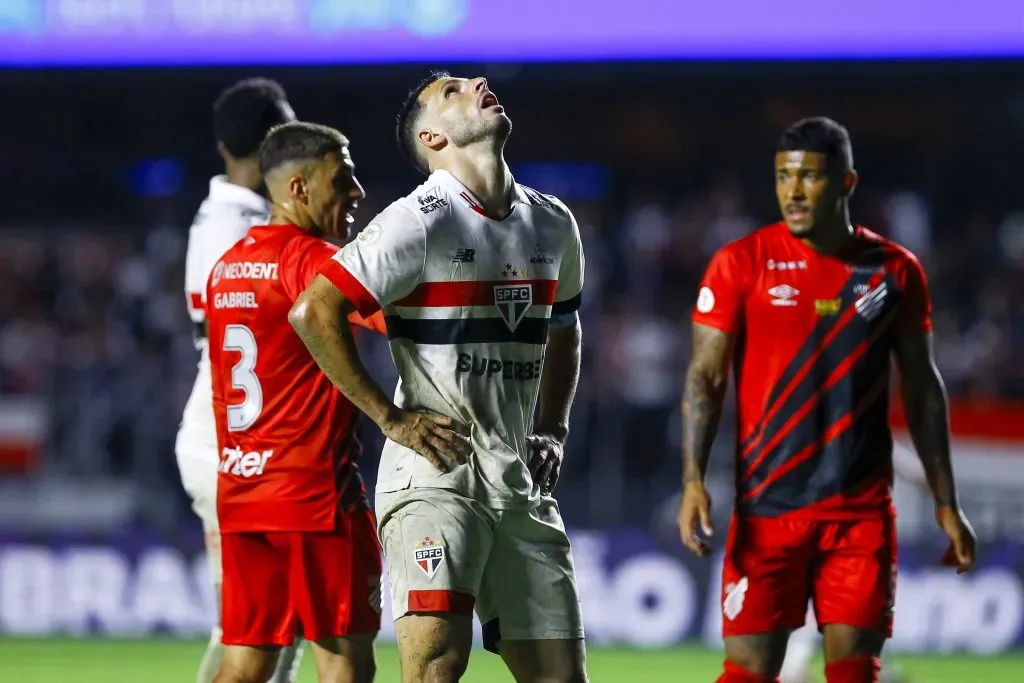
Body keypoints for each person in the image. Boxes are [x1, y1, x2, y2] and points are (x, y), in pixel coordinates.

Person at [289, 72, 589, 683]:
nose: (476, 82)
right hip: (436, 476)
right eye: (451, 91)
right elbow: (313, 311)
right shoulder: (418, 220)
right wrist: (390, 418)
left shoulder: (554, 222)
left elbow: (565, 328)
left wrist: (554, 429)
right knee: (437, 669)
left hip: (519, 482)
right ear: (432, 137)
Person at [677, 117, 977, 683]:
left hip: (859, 515)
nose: (793, 191)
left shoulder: (894, 271)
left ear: (846, 183)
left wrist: (946, 500)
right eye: (783, 177)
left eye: (810, 177)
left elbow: (923, 388)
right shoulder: (741, 263)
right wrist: (693, 480)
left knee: (854, 673)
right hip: (767, 510)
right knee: (746, 673)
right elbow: (704, 379)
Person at [207, 121, 386, 683]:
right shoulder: (310, 260)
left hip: (243, 492)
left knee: (243, 666)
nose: (356, 191)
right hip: (313, 499)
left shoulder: (225, 268)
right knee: (344, 662)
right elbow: (397, 321)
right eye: (343, 178)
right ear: (299, 189)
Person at [173, 77, 302, 683]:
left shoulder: (217, 219)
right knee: (258, 636)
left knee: (256, 632)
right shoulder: (252, 231)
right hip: (235, 444)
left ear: (223, 145)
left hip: (227, 436)